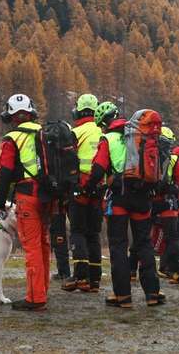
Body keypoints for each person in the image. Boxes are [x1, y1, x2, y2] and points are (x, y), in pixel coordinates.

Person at [91, 109, 166, 308]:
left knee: (118, 245)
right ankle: (152, 293)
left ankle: (122, 296)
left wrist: (89, 186)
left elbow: (98, 168)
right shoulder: (142, 137)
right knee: (144, 244)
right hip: (143, 197)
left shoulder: (108, 139)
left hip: (120, 198)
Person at [0, 93, 52, 311]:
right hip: (48, 196)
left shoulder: (12, 139)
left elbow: (4, 173)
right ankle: (42, 291)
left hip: (27, 196)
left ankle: (35, 298)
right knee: (44, 245)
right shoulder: (44, 133)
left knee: (32, 246)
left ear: (10, 115)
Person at [64, 96, 114, 293]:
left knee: (78, 231)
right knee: (93, 234)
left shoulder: (75, 133)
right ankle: (94, 280)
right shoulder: (104, 132)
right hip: (99, 188)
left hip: (80, 187)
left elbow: (68, 162)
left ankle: (80, 276)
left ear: (78, 111)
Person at [153, 126, 179, 284]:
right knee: (173, 238)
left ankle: (134, 269)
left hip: (151, 202)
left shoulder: (149, 155)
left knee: (143, 236)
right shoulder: (174, 159)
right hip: (168, 203)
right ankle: (170, 269)